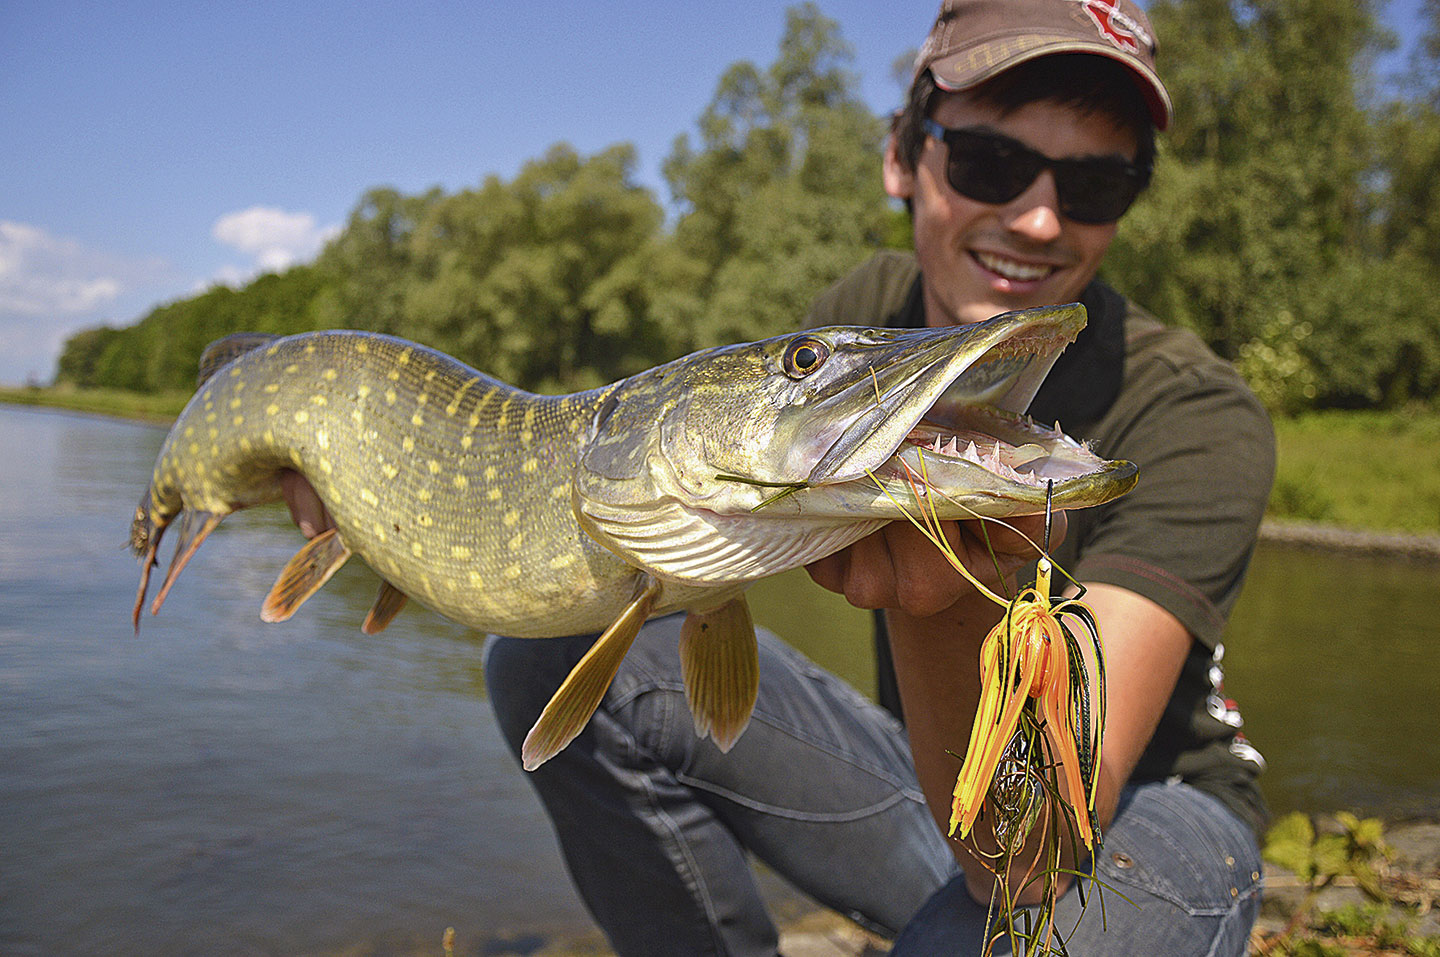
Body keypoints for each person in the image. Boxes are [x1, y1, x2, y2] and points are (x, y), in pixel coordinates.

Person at [287, 1, 1275, 953]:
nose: (1041, 220)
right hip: (928, 776)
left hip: (1140, 811)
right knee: (542, 657)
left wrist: (942, 600)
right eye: (992, 163)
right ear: (903, 156)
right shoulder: (867, 309)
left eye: (1096, 184)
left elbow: (1026, 857)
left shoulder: (1197, 414)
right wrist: (373, 493)